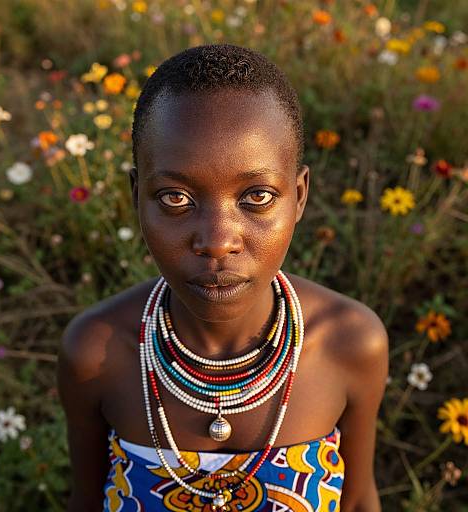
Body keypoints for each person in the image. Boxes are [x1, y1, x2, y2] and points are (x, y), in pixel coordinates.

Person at [57, 43, 389, 512]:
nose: (217, 241)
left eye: (256, 196)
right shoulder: (95, 355)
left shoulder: (350, 345)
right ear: (137, 196)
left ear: (298, 196)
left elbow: (358, 501)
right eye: (175, 197)